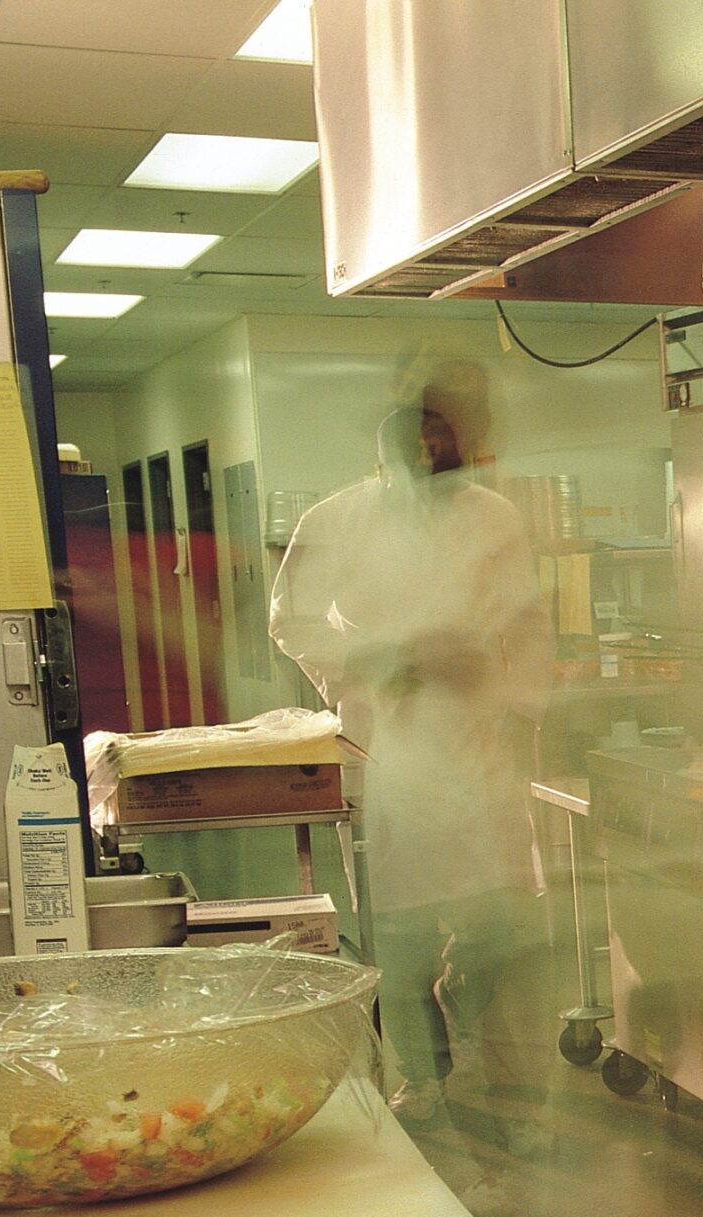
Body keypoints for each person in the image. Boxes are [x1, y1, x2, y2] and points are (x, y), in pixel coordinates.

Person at [270, 360, 553, 1172]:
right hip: (390, 741)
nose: (430, 456)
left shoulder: (492, 516)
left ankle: (477, 1031)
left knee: (495, 919)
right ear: (388, 447)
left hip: (479, 739)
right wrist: (372, 660)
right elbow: (291, 619)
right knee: (398, 934)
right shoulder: (339, 518)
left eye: (444, 440)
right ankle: (422, 1077)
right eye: (416, 440)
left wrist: (511, 696)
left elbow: (527, 621)